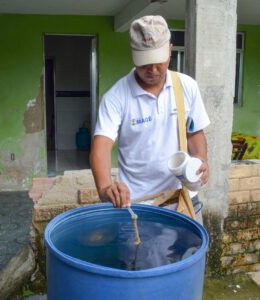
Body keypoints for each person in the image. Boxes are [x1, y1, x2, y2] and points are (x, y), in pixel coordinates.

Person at [90, 15, 210, 218]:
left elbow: (194, 133)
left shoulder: (186, 86)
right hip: (139, 206)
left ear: (170, 50)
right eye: (145, 63)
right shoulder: (117, 97)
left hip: (183, 200)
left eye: (158, 62)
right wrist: (105, 188)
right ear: (133, 55)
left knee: (193, 250)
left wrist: (201, 159)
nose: (153, 70)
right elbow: (100, 147)